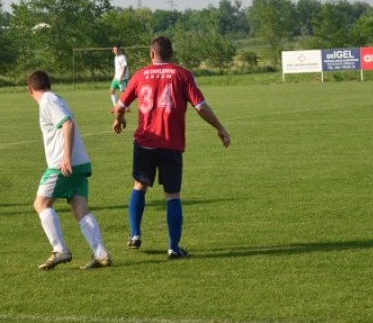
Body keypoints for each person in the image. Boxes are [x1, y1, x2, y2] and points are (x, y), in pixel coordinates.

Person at [112, 36, 231, 259]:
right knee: (172, 195)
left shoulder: (140, 75)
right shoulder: (182, 74)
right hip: (171, 144)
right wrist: (220, 127)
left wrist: (119, 120)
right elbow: (200, 107)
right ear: (171, 54)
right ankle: (173, 248)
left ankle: (135, 234)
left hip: (145, 142)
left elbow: (120, 106)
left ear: (151, 54)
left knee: (139, 186)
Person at [27, 70, 111, 270]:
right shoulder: (55, 98)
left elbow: (68, 124)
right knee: (79, 207)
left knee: (41, 204)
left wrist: (65, 156)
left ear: (30, 89)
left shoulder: (48, 100)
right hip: (80, 163)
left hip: (63, 165)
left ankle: (60, 249)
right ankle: (101, 254)